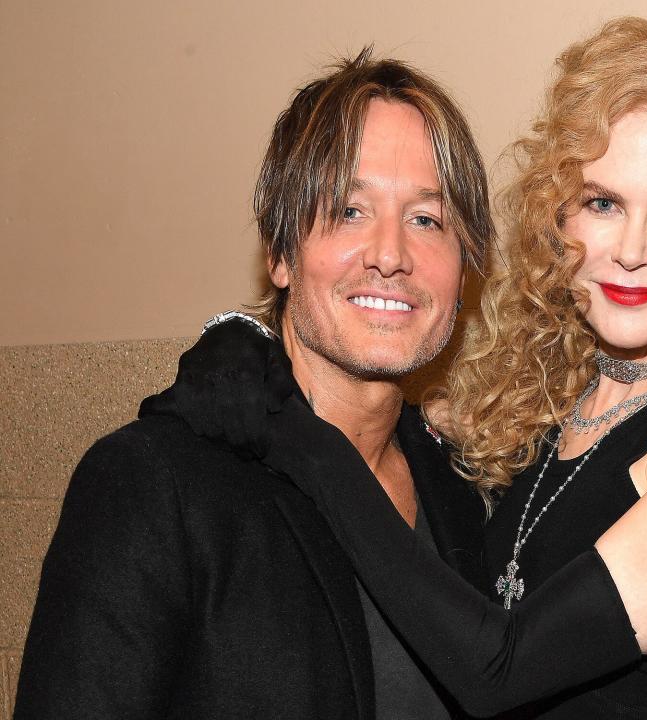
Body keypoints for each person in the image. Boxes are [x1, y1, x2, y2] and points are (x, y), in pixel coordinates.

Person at [162, 16, 647, 720]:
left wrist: (292, 429)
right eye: (603, 202)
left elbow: (498, 668)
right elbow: (372, 411)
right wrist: (239, 342)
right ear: (558, 219)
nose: (629, 248)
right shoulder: (539, 409)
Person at [15, 50, 497, 720]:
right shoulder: (152, 484)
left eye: (427, 219)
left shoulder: (474, 498)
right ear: (279, 252)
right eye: (348, 211)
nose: (391, 254)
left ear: (465, 267)